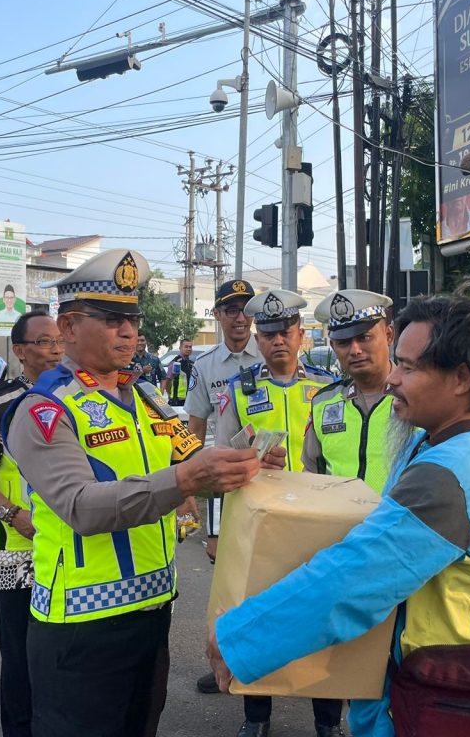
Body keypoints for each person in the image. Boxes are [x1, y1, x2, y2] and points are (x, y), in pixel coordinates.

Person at [208, 292, 470, 737]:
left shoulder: (450, 475)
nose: (393, 377)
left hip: (434, 697)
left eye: (409, 367)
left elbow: (351, 581)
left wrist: (237, 638)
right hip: (417, 683)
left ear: (461, 379)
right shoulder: (440, 444)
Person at [1, 249, 260, 737]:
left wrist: (247, 459)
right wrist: (185, 481)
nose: (129, 331)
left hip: (152, 609)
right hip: (80, 625)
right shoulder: (43, 410)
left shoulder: (144, 396)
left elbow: (187, 456)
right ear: (69, 327)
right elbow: (80, 506)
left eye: (134, 319)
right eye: (113, 319)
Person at [213, 289, 342, 737]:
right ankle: (257, 717)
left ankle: (328, 721)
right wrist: (249, 455)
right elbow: (221, 453)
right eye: (267, 334)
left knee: (323, 617)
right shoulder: (241, 387)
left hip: (317, 518)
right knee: (258, 618)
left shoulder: (326, 388)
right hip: (261, 519)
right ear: (258, 337)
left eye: (285, 331)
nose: (277, 341)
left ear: (301, 334)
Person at [0, 310, 64, 737]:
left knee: (65, 661)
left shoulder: (78, 396)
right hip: (22, 557)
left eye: (60, 340)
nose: (55, 348)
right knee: (20, 663)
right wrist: (12, 514)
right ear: (20, 351)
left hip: (75, 554)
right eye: (43, 342)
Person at [186, 279, 262, 695]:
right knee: (228, 580)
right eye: (230, 310)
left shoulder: (271, 356)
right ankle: (225, 661)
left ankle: (270, 663)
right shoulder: (206, 366)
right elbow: (194, 430)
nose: (239, 318)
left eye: (246, 309)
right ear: (216, 315)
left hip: (270, 480)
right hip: (226, 485)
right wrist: (186, 490)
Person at [305, 289, 405, 493]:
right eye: (343, 342)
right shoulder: (323, 402)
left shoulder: (414, 396)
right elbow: (311, 472)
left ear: (389, 335)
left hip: (398, 523)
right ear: (332, 346)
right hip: (337, 524)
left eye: (365, 337)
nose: (355, 350)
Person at [162, 338, 194, 406]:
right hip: (177, 400)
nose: (188, 349)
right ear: (180, 348)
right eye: (186, 347)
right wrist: (170, 395)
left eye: (190, 347)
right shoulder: (175, 363)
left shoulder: (191, 364)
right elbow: (168, 381)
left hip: (189, 400)